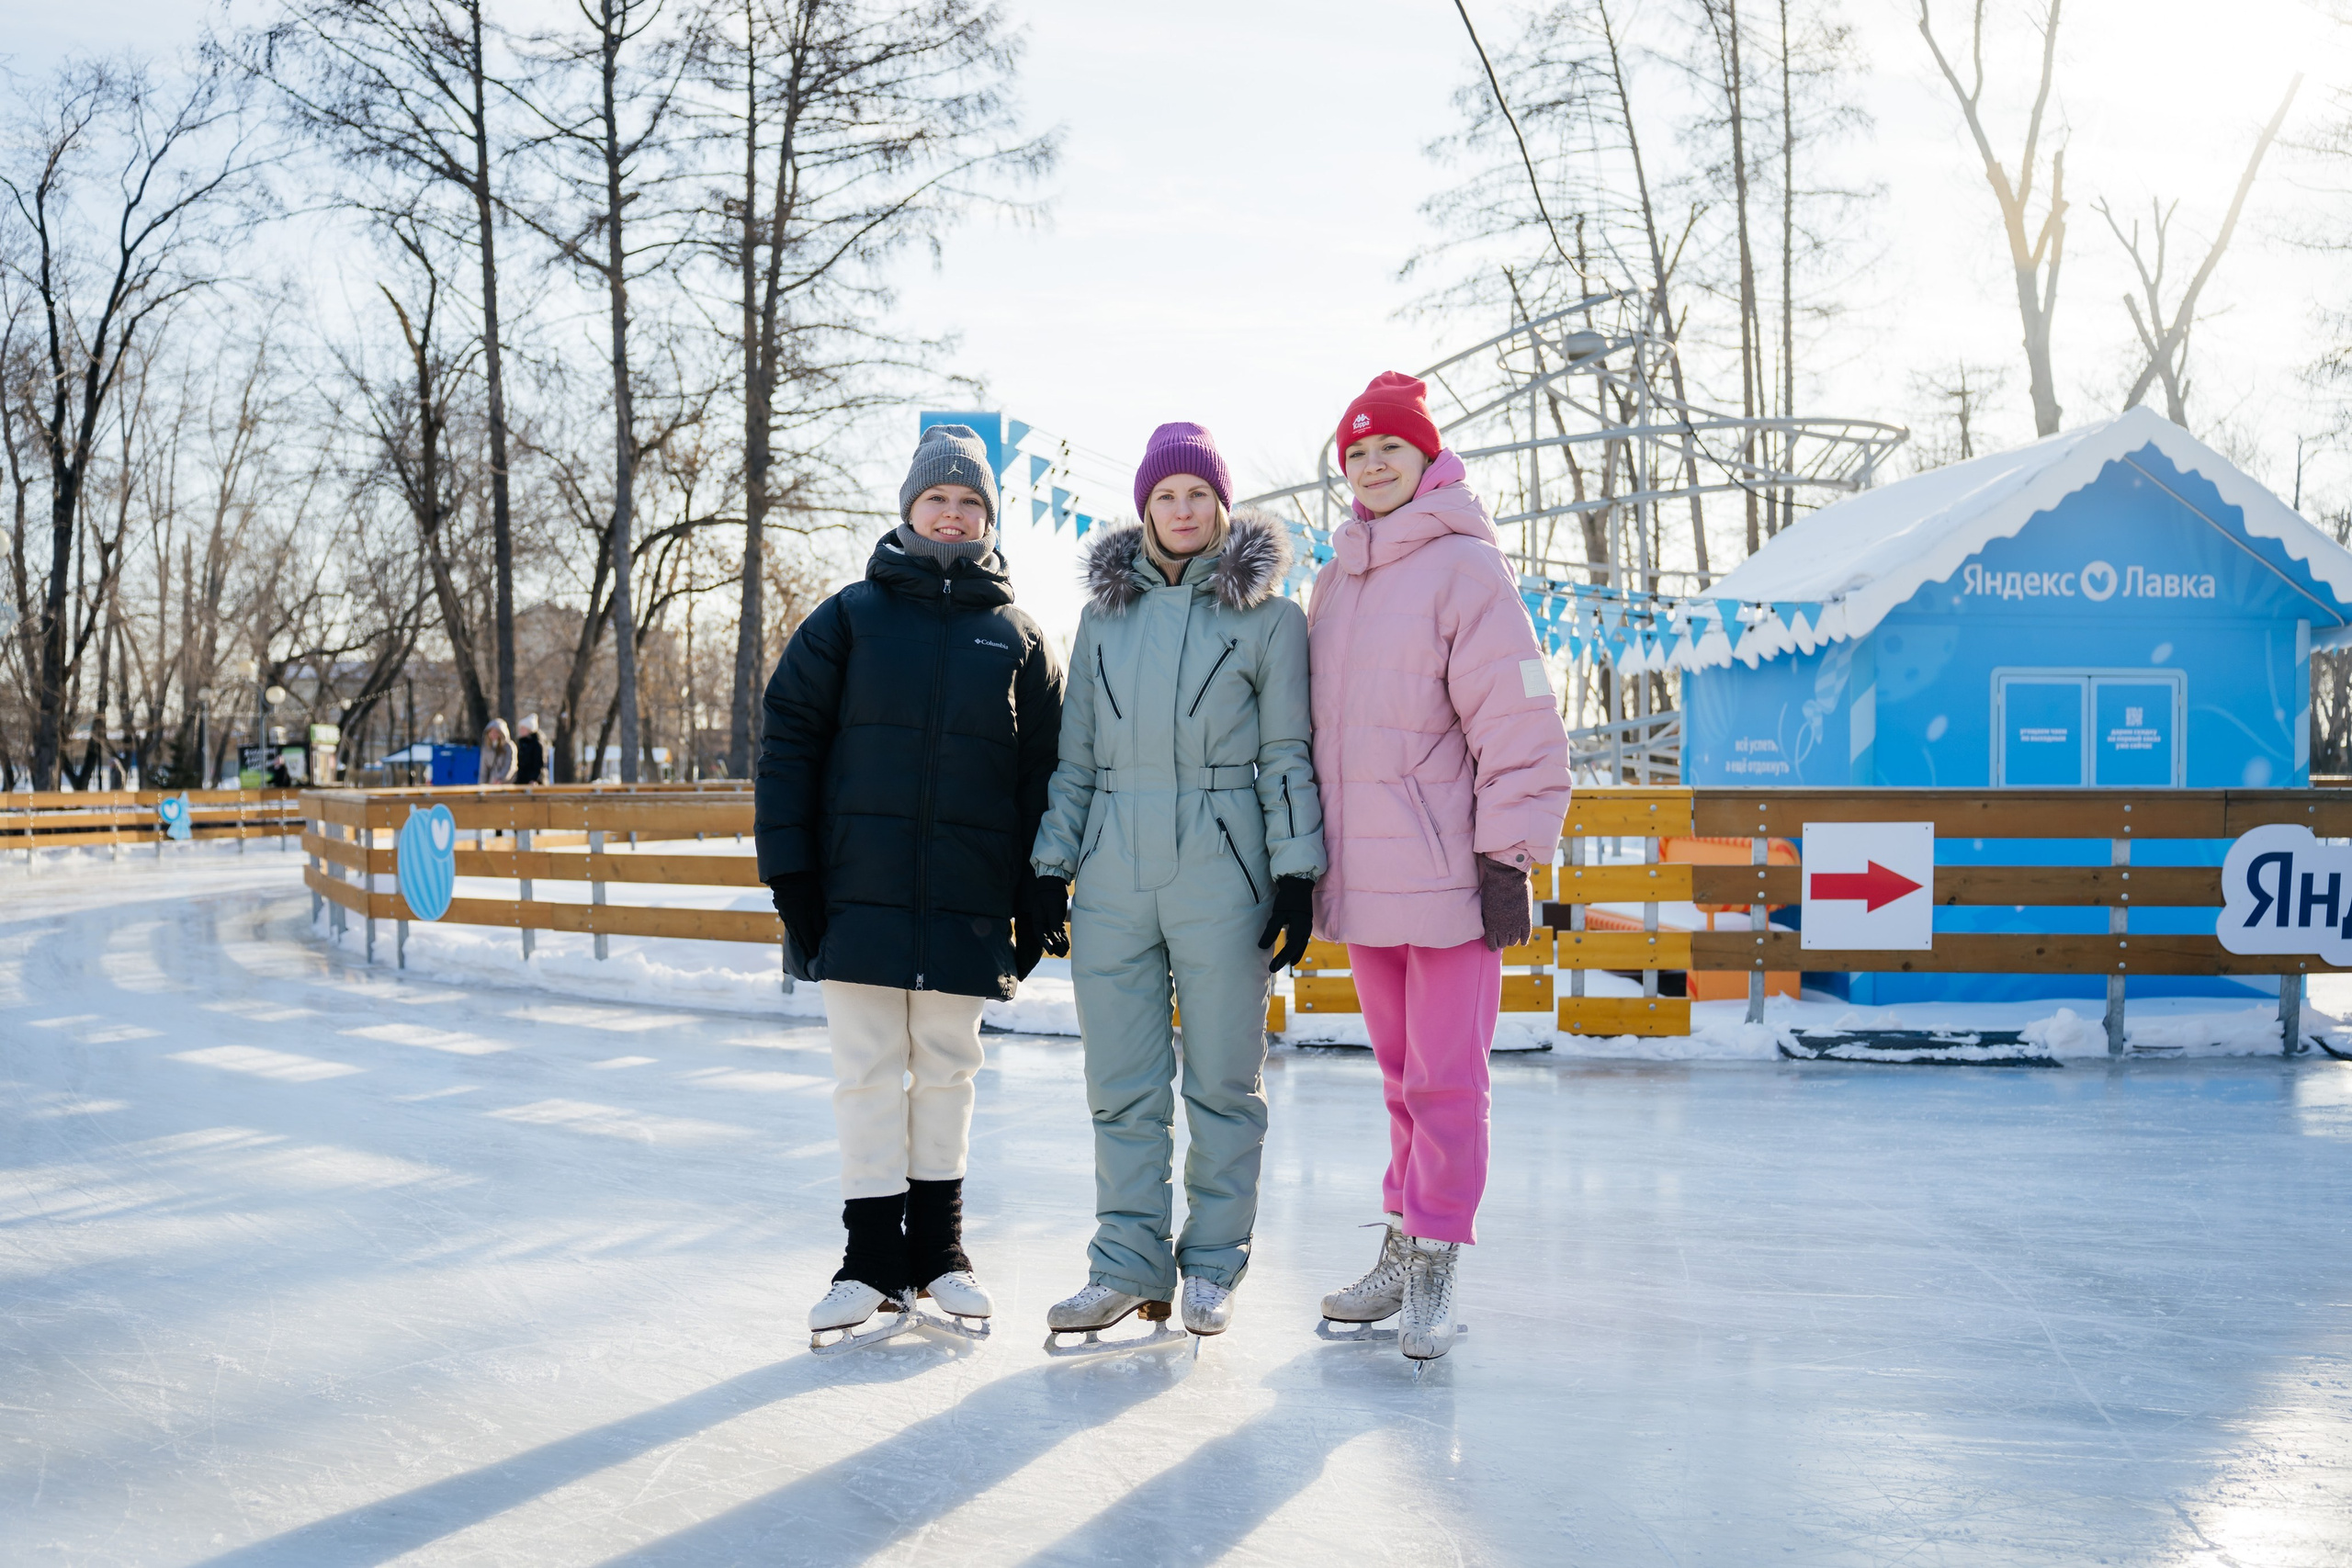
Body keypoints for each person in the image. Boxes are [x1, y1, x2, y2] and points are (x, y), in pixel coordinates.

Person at [757, 423, 1065, 1349]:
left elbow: (1046, 776)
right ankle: (868, 1262)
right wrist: (791, 872)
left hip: (966, 897)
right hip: (856, 890)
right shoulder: (848, 618)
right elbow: (788, 742)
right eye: (938, 499)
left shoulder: (1017, 637)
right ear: (908, 509)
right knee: (864, 1072)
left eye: (969, 502)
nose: (952, 515)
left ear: (988, 518)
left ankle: (938, 1254)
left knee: (948, 1069)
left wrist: (1041, 888)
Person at [1030, 423, 1323, 1344]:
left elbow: (1286, 754)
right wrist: (1050, 867)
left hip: (1222, 871)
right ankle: (1125, 1264)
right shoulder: (1102, 621)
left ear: (1222, 505)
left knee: (1224, 1083)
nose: (1183, 509)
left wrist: (1296, 873)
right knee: (1121, 1083)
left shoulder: (1270, 619)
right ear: (1145, 508)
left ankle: (1212, 1263)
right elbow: (1076, 761)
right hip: (1113, 875)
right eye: (1166, 495)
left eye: (1198, 493)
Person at [1307, 372, 1571, 1364]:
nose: (1373, 464)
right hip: (1363, 873)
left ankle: (1437, 1258)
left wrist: (1509, 857)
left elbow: (1520, 722)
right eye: (1357, 452)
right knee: (1397, 1077)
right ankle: (1400, 1236)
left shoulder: (1467, 568)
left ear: (1426, 458)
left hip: (1450, 874)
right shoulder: (1337, 580)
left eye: (1390, 448)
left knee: (1447, 1080)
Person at [480, 718, 517, 786]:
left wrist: (500, 779)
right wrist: (481, 786)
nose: (493, 734)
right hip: (491, 784)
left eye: (496, 732)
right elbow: (483, 770)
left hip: (507, 784)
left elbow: (510, 767)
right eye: (491, 732)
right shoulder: (486, 748)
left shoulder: (509, 747)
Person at [514, 715, 545, 786]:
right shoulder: (521, 743)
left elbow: (539, 764)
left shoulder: (537, 744)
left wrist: (534, 779)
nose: (520, 731)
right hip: (521, 780)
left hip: (533, 781)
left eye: (523, 728)